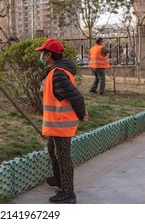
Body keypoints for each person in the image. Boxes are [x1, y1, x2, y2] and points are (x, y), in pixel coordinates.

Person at [35, 38, 88, 204]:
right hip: (56, 122)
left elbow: (75, 96)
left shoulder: (58, 74)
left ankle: (68, 193)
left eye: (43, 52)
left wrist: (81, 114)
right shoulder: (55, 72)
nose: (41, 55)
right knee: (52, 150)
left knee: (63, 156)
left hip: (62, 123)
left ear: (49, 54)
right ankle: (58, 179)